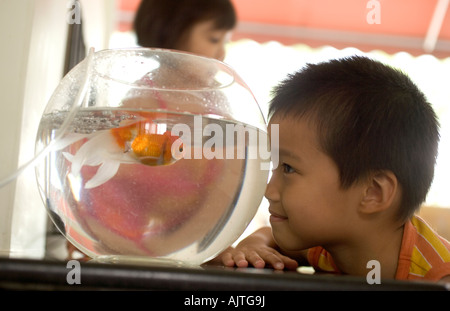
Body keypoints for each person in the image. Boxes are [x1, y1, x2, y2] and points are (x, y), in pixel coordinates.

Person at [212, 56, 450, 283]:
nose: (269, 190)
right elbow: (269, 237)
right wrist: (255, 246)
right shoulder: (329, 241)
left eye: (288, 168)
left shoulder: (437, 278)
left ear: (373, 192)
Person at [133, 0, 236, 61]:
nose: (222, 54)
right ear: (171, 31)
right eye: (214, 39)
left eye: (226, 42)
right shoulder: (144, 95)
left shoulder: (215, 93)